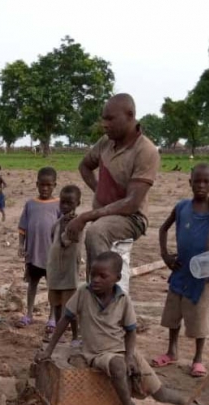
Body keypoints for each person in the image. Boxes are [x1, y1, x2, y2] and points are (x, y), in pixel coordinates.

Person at [36, 251, 203, 405]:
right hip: (98, 353)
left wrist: (130, 356)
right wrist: (49, 350)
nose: (96, 280)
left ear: (117, 278)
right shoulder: (83, 293)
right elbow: (64, 320)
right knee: (117, 365)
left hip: (122, 349)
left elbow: (131, 331)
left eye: (102, 276)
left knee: (159, 392)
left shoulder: (123, 300)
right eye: (93, 275)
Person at [66, 94, 160, 273]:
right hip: (107, 213)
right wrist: (99, 190)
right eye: (103, 118)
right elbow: (85, 166)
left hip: (132, 218)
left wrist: (86, 216)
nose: (104, 124)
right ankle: (94, 287)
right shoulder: (106, 142)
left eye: (110, 119)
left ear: (130, 116)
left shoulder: (145, 150)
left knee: (96, 232)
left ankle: (106, 292)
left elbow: (131, 204)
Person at [153, 164, 209, 377]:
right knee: (173, 315)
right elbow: (163, 228)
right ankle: (171, 351)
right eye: (197, 181)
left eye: (206, 181)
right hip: (180, 270)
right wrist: (165, 254)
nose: (201, 185)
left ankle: (198, 358)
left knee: (199, 318)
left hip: (202, 274)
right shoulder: (182, 207)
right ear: (190, 182)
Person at [17, 167, 61, 333]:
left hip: (52, 256)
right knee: (32, 285)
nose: (45, 188)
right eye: (42, 185)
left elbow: (62, 230)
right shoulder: (30, 204)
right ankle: (28, 313)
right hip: (33, 254)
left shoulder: (58, 205)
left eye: (48, 185)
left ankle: (52, 317)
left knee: (52, 287)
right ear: (36, 184)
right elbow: (22, 228)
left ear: (54, 185)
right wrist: (21, 245)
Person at [44, 184, 82, 343]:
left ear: (77, 204)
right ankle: (58, 334)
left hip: (68, 272)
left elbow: (67, 241)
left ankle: (75, 336)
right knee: (57, 305)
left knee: (70, 308)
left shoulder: (77, 223)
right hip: (54, 271)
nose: (65, 206)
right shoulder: (59, 221)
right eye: (63, 203)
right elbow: (52, 236)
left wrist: (67, 224)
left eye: (69, 203)